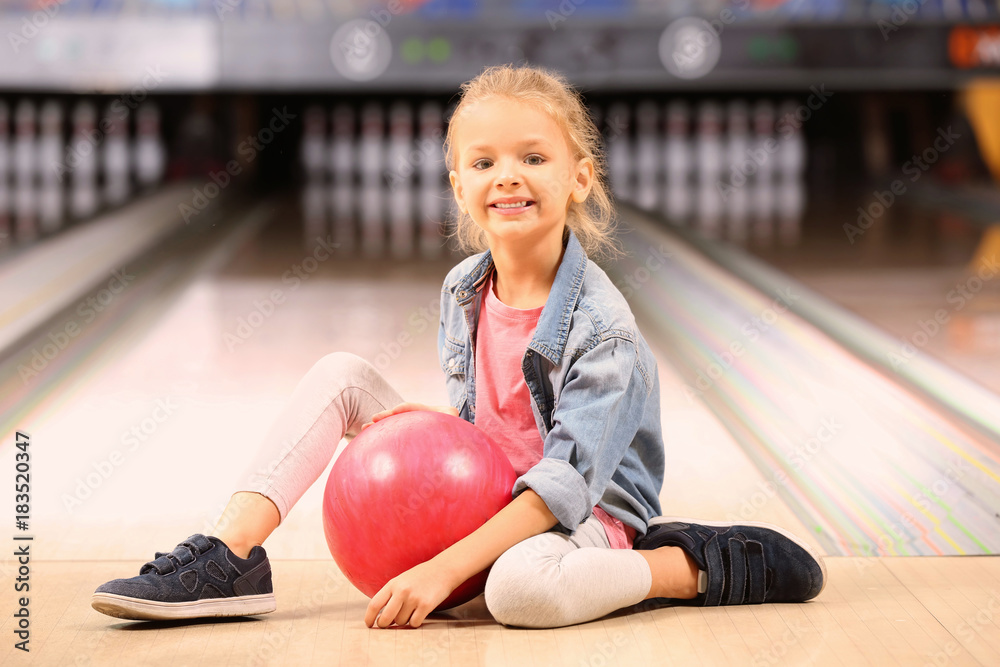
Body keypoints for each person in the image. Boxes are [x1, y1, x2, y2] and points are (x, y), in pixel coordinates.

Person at [92, 65, 825, 629]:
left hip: (580, 508)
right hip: (495, 485)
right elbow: (483, 427)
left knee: (517, 592)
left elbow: (559, 488)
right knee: (343, 375)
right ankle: (231, 555)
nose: (507, 175)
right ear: (458, 185)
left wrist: (442, 570)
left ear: (579, 178)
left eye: (533, 157)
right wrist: (432, 448)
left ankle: (682, 566)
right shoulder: (463, 288)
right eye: (483, 163)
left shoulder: (605, 330)